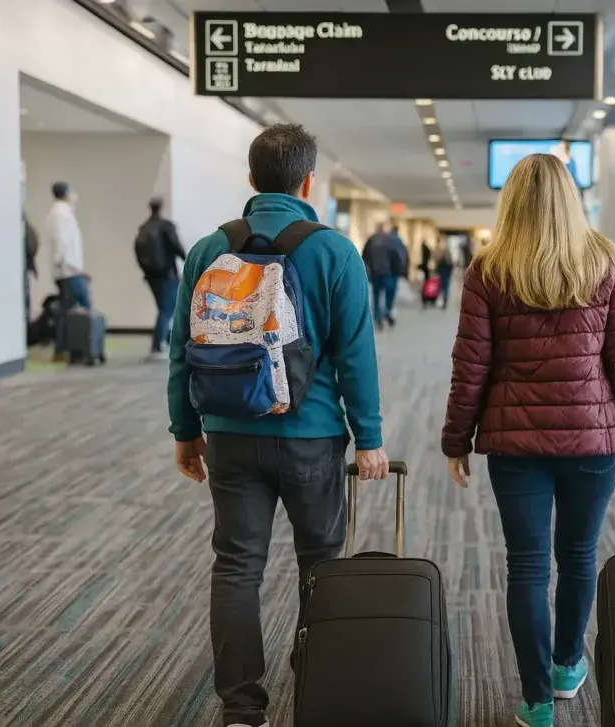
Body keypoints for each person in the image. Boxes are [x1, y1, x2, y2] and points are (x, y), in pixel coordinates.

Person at [167, 123, 388, 727]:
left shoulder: (211, 250)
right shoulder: (333, 251)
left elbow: (182, 348)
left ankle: (241, 706)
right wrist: (368, 436)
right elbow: (355, 354)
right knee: (321, 563)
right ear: (308, 180)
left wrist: (186, 430)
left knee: (237, 565)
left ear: (251, 179)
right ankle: (314, 676)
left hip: (231, 432)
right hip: (312, 435)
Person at [441, 153, 615, 727]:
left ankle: (537, 702)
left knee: (527, 567)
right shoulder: (602, 261)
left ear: (511, 202)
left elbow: (470, 365)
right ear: (570, 198)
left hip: (515, 447)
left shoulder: (489, 268)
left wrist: (456, 439)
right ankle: (569, 665)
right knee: (578, 557)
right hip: (592, 444)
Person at [135, 196, 187, 360]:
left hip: (151, 276)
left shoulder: (143, 228)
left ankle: (165, 340)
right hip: (167, 274)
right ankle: (157, 346)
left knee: (163, 308)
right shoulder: (166, 226)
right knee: (167, 309)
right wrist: (189, 259)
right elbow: (176, 246)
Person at [45, 181, 90, 361]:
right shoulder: (62, 214)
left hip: (67, 270)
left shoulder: (59, 212)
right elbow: (61, 242)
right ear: (66, 193)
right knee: (83, 307)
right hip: (69, 271)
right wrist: (74, 268)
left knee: (66, 309)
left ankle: (64, 348)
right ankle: (81, 349)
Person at [361, 222, 393, 330]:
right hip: (386, 271)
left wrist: (367, 267)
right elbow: (393, 256)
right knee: (385, 293)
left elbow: (364, 255)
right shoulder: (388, 240)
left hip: (374, 271)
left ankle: (377, 316)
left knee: (376, 294)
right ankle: (386, 312)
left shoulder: (371, 240)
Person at [385, 224, 409, 326]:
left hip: (386, 270)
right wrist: (403, 270)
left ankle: (385, 310)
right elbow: (403, 256)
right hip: (395, 270)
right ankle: (389, 310)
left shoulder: (386, 241)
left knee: (385, 291)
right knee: (392, 290)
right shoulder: (399, 241)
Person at [434, 244, 455, 309]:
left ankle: (442, 300)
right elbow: (451, 269)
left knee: (442, 288)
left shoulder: (441, 261)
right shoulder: (449, 262)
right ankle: (445, 299)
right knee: (446, 288)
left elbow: (438, 269)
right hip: (447, 277)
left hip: (442, 277)